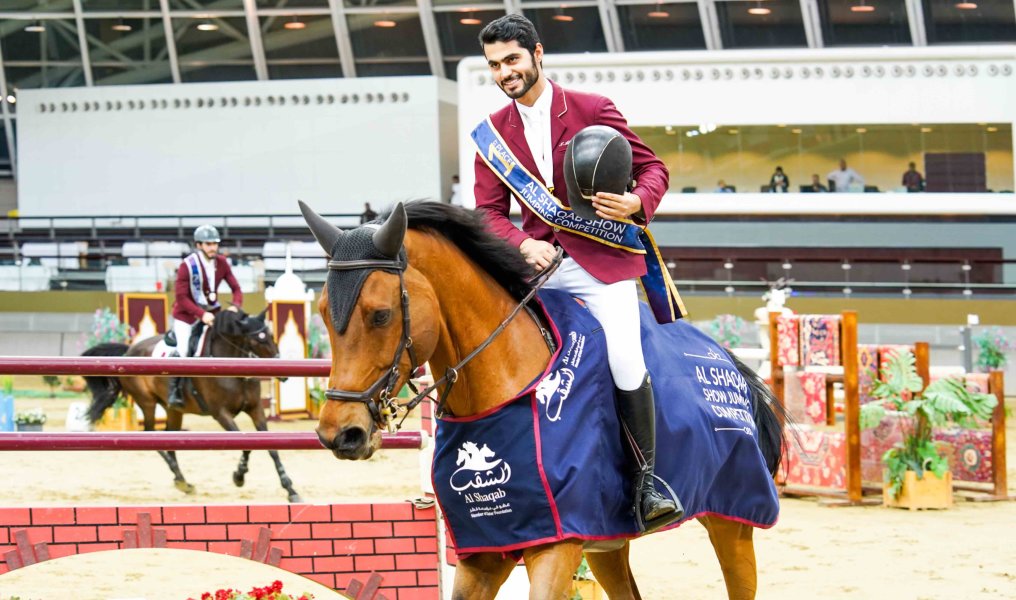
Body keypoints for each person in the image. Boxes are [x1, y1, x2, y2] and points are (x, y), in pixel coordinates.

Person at [473, 15, 682, 533]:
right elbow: (488, 213)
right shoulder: (492, 133)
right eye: (495, 65)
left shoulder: (591, 108)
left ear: (538, 54)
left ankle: (647, 482)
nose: (505, 72)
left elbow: (654, 169)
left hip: (600, 262)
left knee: (624, 359)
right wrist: (522, 243)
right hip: (536, 268)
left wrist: (637, 200)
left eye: (513, 60)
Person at [167, 225, 243, 409]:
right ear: (199, 245)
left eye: (215, 244)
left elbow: (236, 289)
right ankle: (175, 391)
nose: (213, 248)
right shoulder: (187, 265)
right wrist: (201, 315)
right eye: (208, 244)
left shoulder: (222, 263)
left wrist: (236, 306)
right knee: (184, 350)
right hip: (186, 316)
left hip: (212, 315)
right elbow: (181, 298)